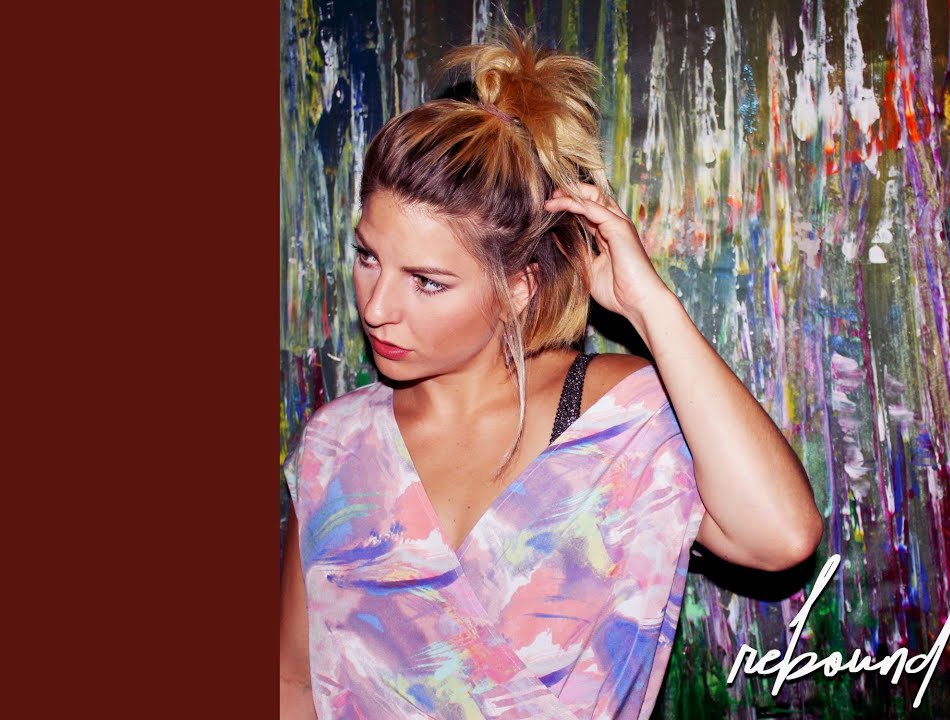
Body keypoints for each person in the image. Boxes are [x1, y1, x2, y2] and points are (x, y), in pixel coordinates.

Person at [279, 24, 823, 720]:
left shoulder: (618, 421)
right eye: (367, 257)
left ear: (520, 287)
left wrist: (649, 304)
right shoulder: (336, 445)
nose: (377, 307)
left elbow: (779, 537)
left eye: (427, 281)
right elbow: (294, 682)